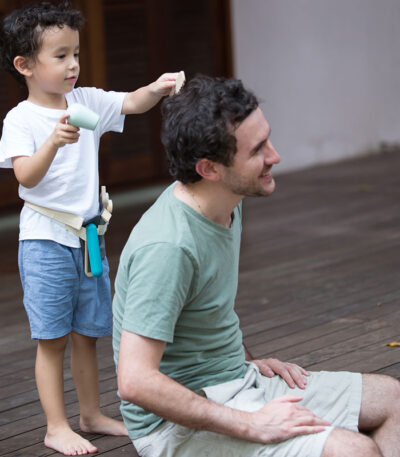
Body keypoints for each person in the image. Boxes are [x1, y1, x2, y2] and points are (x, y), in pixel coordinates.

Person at [112, 74, 400, 457]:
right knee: (353, 451)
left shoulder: (226, 199)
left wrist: (241, 359)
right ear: (209, 169)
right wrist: (253, 424)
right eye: (258, 150)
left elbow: (207, 312)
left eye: (268, 139)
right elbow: (134, 381)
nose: (275, 156)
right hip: (174, 427)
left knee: (393, 399)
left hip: (233, 379)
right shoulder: (168, 246)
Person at [0, 1, 180, 455]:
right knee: (52, 338)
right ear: (24, 65)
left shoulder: (85, 101)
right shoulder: (21, 119)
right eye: (60, 56)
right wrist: (53, 143)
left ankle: (90, 414)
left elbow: (132, 102)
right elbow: (25, 177)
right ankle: (55, 426)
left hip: (89, 241)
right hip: (45, 241)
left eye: (76, 53)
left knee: (88, 334)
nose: (73, 64)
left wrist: (157, 88)